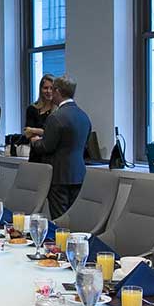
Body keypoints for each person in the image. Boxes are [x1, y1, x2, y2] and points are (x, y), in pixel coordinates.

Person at [30, 77, 91, 219]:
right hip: (79, 174)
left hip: (58, 176)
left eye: (52, 89)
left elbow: (46, 146)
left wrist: (35, 141)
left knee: (60, 219)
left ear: (57, 91)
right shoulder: (84, 116)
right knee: (74, 218)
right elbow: (84, 144)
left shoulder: (56, 117)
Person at [23, 74, 56, 163]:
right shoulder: (32, 109)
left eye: (51, 88)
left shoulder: (59, 111)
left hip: (53, 157)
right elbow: (27, 133)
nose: (48, 91)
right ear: (40, 89)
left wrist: (34, 130)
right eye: (45, 88)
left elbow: (55, 134)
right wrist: (45, 133)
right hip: (36, 156)